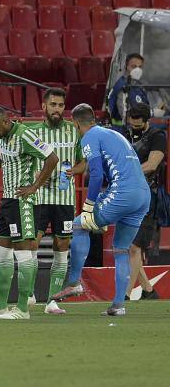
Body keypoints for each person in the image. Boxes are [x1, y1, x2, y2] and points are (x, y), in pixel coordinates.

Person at [52, 104, 151, 316]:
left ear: (76, 123)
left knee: (79, 225)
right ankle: (117, 306)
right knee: (121, 250)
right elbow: (111, 172)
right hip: (143, 194)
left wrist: (89, 207)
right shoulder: (114, 135)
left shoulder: (90, 136)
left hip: (124, 192)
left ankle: (75, 282)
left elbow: (95, 174)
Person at [0, 107, 59, 320]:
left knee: (23, 252)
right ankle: (0, 306)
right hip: (7, 200)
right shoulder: (2, 138)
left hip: (24, 201)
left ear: (5, 121)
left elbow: (52, 158)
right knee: (2, 253)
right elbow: (8, 160)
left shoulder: (25, 134)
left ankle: (23, 308)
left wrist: (34, 186)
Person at [27, 88, 86, 314]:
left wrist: (73, 172)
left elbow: (83, 162)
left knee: (62, 246)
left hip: (64, 198)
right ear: (44, 106)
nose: (57, 109)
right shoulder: (32, 132)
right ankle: (29, 293)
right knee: (32, 243)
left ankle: (52, 300)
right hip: (40, 196)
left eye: (61, 105)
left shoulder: (73, 132)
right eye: (53, 105)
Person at [120, 103, 166, 300]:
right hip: (126, 194)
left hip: (148, 196)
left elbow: (153, 164)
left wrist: (127, 173)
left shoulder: (158, 137)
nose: (134, 128)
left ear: (147, 121)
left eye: (138, 125)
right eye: (132, 125)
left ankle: (126, 294)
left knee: (134, 246)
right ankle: (148, 290)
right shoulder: (126, 134)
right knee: (128, 245)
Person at [107, 53, 150, 126]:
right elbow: (126, 117)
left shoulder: (139, 86)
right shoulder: (122, 87)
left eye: (140, 67)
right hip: (123, 130)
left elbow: (145, 108)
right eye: (134, 66)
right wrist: (152, 113)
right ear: (126, 67)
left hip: (140, 125)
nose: (137, 70)